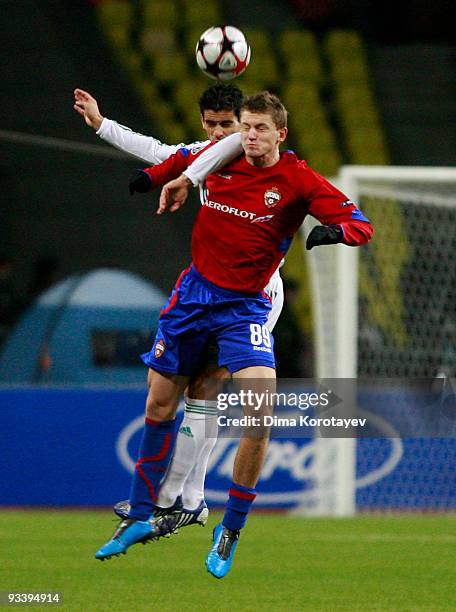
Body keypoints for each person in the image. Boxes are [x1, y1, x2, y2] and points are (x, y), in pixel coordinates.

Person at [95, 91, 373, 578]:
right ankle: (146, 514)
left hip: (248, 304)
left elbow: (359, 222)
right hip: (193, 296)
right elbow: (165, 156)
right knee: (160, 405)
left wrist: (337, 231)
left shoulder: (296, 179)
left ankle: (228, 529)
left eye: (258, 128)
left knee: (257, 414)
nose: (247, 136)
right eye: (242, 127)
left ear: (280, 133)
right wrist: (142, 168)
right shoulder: (217, 155)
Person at [74, 85, 284, 536]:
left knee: (208, 387)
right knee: (195, 392)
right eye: (211, 124)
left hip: (256, 295)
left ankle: (181, 498)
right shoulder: (204, 155)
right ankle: (191, 498)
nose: (220, 133)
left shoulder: (262, 158)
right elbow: (155, 150)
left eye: (228, 124)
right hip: (212, 290)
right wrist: (101, 123)